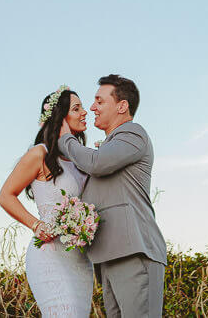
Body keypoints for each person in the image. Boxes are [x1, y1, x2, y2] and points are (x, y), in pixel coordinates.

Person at [58, 74, 166, 318]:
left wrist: (66, 139)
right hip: (108, 256)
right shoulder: (110, 145)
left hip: (133, 252)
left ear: (122, 106)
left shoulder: (133, 134)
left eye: (99, 101)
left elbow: (97, 163)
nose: (92, 107)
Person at [0, 85, 94, 317]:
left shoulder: (81, 157)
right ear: (60, 116)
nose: (85, 112)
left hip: (80, 260)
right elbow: (5, 196)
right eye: (76, 108)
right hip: (50, 254)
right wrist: (36, 225)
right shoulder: (38, 154)